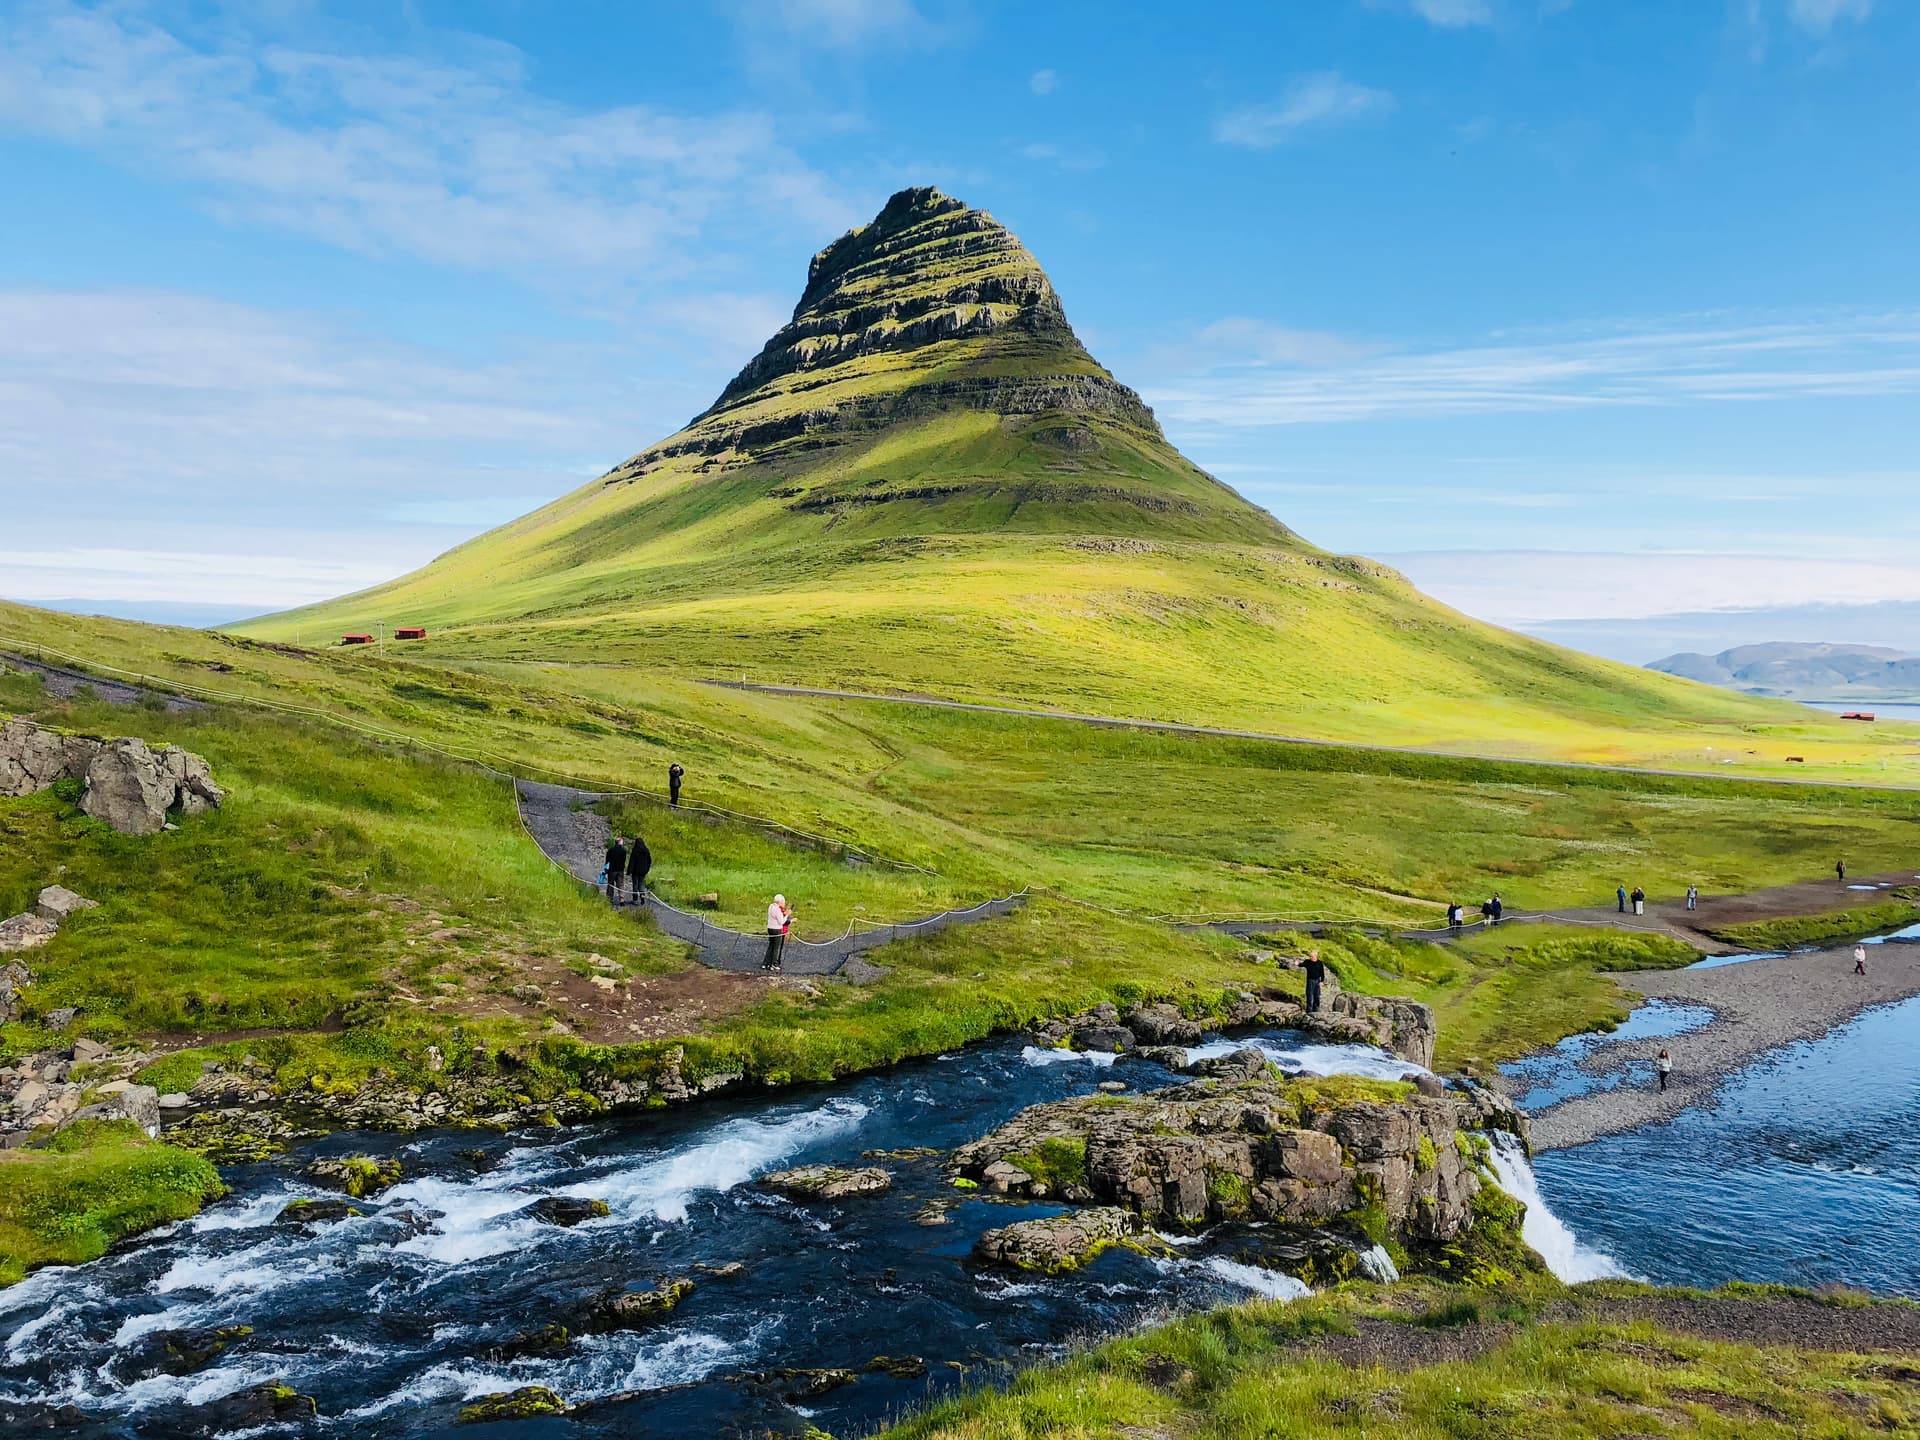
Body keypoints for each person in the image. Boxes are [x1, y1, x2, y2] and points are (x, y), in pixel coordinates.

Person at [764, 893, 792, 973]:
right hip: (777, 930)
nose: (784, 903)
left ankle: (767, 963)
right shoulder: (777, 909)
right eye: (783, 902)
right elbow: (782, 922)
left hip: (770, 928)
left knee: (771, 946)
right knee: (776, 947)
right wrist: (786, 915)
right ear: (780, 902)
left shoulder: (771, 907)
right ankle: (774, 964)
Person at [626, 834, 652, 901]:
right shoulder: (646, 851)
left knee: (635, 884)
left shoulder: (635, 851)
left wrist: (629, 871)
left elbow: (632, 862)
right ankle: (642, 896)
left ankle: (635, 898)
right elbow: (649, 861)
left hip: (635, 871)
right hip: (643, 871)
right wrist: (647, 869)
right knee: (641, 883)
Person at [603, 836, 628, 905]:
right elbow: (624, 860)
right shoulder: (624, 850)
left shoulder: (611, 850)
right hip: (620, 869)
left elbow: (607, 860)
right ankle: (621, 899)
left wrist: (605, 869)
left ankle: (609, 898)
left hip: (612, 869)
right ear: (620, 842)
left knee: (610, 884)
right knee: (620, 884)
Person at [1303, 947, 1326, 1014]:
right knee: (1310, 996)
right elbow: (1301, 964)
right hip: (1310, 980)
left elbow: (1322, 972)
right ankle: (1309, 1012)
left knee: (1317, 996)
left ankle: (1316, 1011)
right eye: (1310, 956)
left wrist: (1322, 981)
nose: (1311, 957)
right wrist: (1297, 963)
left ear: (1316, 956)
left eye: (1312, 956)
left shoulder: (1319, 963)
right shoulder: (1307, 962)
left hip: (1317, 980)